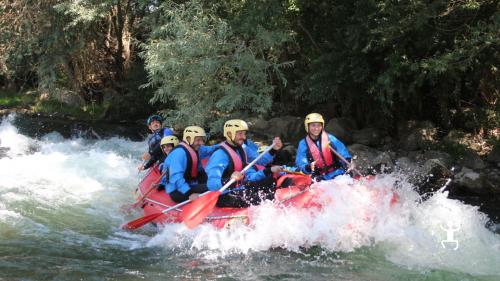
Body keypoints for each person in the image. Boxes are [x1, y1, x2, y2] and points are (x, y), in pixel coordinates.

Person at [205, 119, 283, 208]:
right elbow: (211, 184)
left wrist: (273, 149)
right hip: (224, 195)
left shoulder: (242, 148)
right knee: (261, 197)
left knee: (271, 181)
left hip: (240, 187)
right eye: (240, 134)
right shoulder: (220, 155)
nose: (244, 137)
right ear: (230, 134)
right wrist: (229, 180)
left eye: (244, 133)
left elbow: (260, 160)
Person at [163, 126, 219, 203]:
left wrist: (223, 146)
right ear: (189, 139)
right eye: (198, 140)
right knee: (214, 186)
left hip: (192, 183)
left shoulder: (196, 148)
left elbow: (210, 149)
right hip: (178, 191)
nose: (201, 143)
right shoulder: (179, 153)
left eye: (202, 140)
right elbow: (176, 178)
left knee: (217, 182)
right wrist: (189, 193)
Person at [295, 113, 352, 181]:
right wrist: (308, 167)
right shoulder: (303, 144)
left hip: (338, 173)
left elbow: (343, 151)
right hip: (320, 177)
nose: (316, 128)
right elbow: (300, 162)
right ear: (307, 126)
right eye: (313, 125)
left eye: (319, 125)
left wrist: (347, 161)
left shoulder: (330, 138)